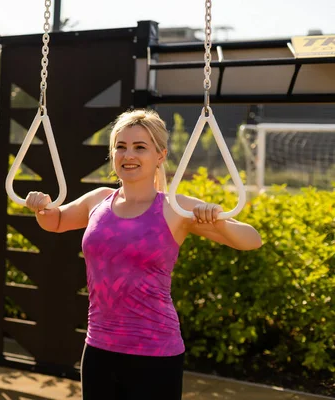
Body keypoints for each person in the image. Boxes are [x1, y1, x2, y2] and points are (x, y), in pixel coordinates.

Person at [24, 109, 262, 400]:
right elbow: (57, 221)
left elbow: (252, 240)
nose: (128, 155)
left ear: (160, 156)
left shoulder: (175, 208)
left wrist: (219, 220)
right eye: (121, 147)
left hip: (155, 353)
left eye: (140, 147)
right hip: (99, 347)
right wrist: (42, 208)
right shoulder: (98, 200)